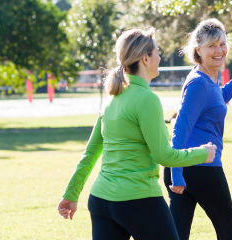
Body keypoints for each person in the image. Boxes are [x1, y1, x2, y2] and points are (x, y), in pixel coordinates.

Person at [57, 28, 217, 240]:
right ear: (145, 58)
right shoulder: (147, 100)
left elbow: (90, 153)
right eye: (157, 52)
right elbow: (164, 156)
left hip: (101, 201)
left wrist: (71, 194)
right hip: (139, 200)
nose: (160, 57)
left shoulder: (111, 98)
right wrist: (202, 153)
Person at [163, 18, 232, 240]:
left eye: (222, 44)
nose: (219, 50)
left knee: (177, 234)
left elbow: (218, 98)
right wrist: (177, 175)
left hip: (186, 165)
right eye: (212, 46)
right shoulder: (199, 82)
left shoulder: (207, 78)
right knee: (228, 227)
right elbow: (180, 126)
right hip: (198, 166)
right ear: (198, 50)